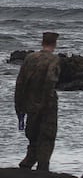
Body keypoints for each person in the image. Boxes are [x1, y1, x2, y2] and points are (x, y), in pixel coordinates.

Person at [14, 32, 61, 171]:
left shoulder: (30, 58)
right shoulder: (54, 60)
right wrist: (45, 102)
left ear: (42, 42)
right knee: (47, 138)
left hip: (30, 105)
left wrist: (19, 108)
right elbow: (50, 81)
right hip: (48, 106)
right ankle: (42, 170)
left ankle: (26, 166)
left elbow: (20, 83)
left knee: (33, 140)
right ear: (54, 43)